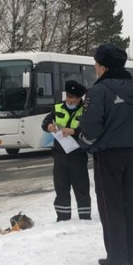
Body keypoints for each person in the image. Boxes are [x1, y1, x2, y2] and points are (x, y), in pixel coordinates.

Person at [78, 44, 133, 265]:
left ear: (104, 67)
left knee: (111, 206)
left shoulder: (98, 91)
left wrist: (84, 144)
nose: (95, 69)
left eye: (96, 65)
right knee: (131, 204)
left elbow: (90, 127)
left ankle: (117, 255)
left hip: (107, 156)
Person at [41, 80, 91, 221]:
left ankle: (85, 216)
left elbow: (90, 129)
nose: (69, 100)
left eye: (72, 98)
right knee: (61, 187)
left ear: (79, 98)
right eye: (68, 97)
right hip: (60, 155)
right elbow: (45, 123)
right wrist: (49, 126)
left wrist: (74, 131)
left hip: (78, 155)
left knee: (81, 187)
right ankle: (62, 217)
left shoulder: (85, 110)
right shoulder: (57, 108)